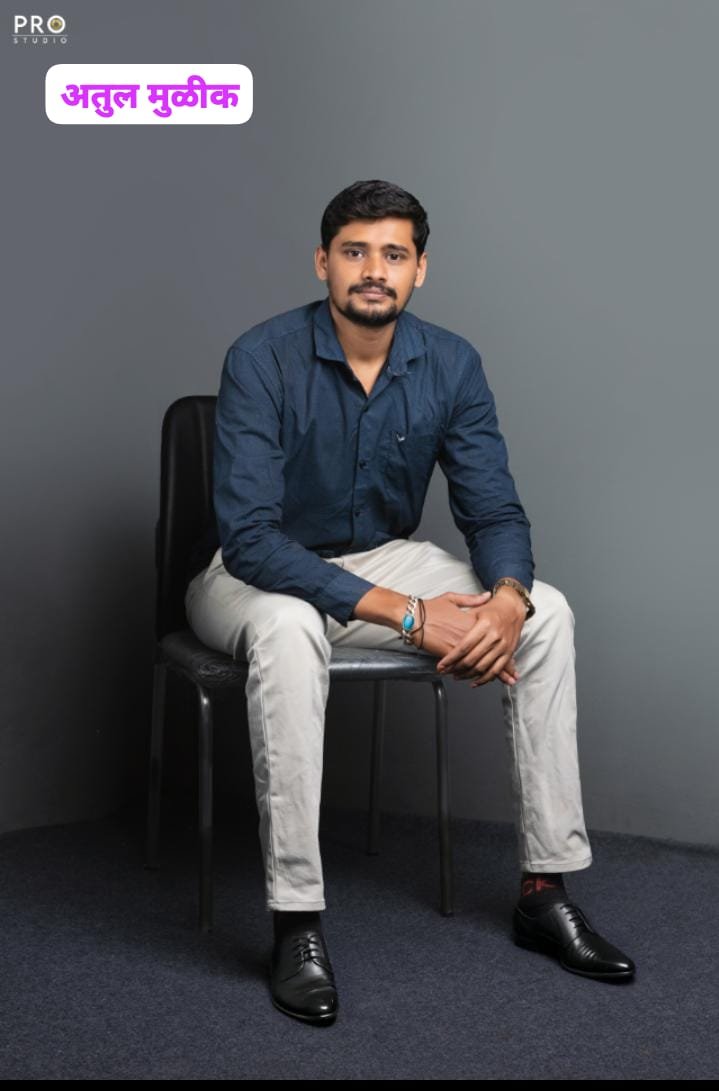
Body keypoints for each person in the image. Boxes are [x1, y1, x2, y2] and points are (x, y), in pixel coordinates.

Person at [184, 179, 635, 1026]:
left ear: (419, 269)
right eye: (354, 252)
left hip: (381, 558)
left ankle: (543, 890)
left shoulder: (451, 363)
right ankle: (295, 920)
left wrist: (505, 600)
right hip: (250, 575)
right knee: (288, 624)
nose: (373, 270)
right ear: (322, 262)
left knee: (547, 611)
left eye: (393, 254)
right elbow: (249, 538)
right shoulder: (260, 356)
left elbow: (492, 510)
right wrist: (407, 613)